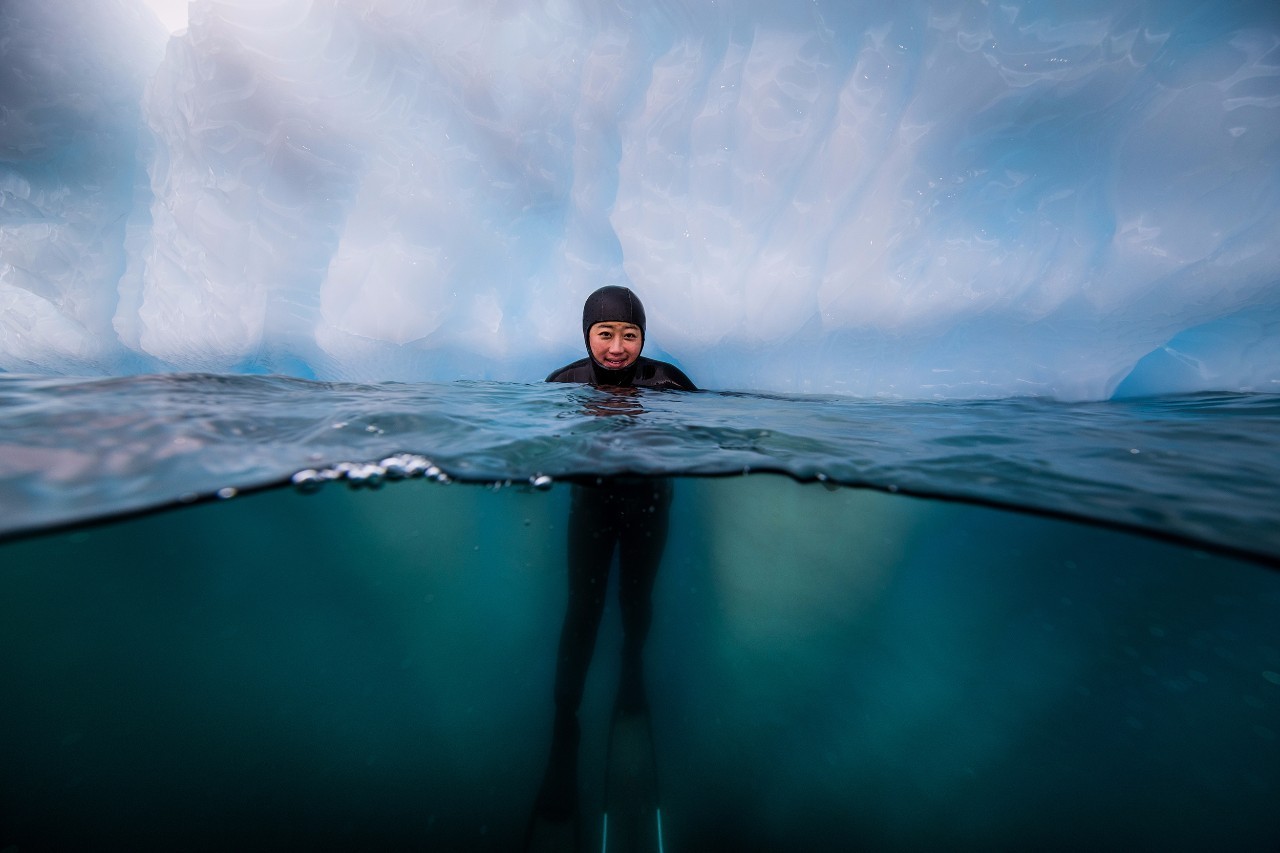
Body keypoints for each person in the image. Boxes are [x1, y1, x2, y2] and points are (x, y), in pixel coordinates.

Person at [532, 286, 695, 827]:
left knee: (636, 599)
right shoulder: (566, 383)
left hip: (650, 507)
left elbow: (721, 427)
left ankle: (630, 671)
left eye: (629, 335)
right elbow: (526, 434)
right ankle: (564, 720)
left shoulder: (666, 383)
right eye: (606, 334)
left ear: (643, 338)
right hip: (592, 511)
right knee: (582, 610)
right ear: (587, 335)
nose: (618, 347)